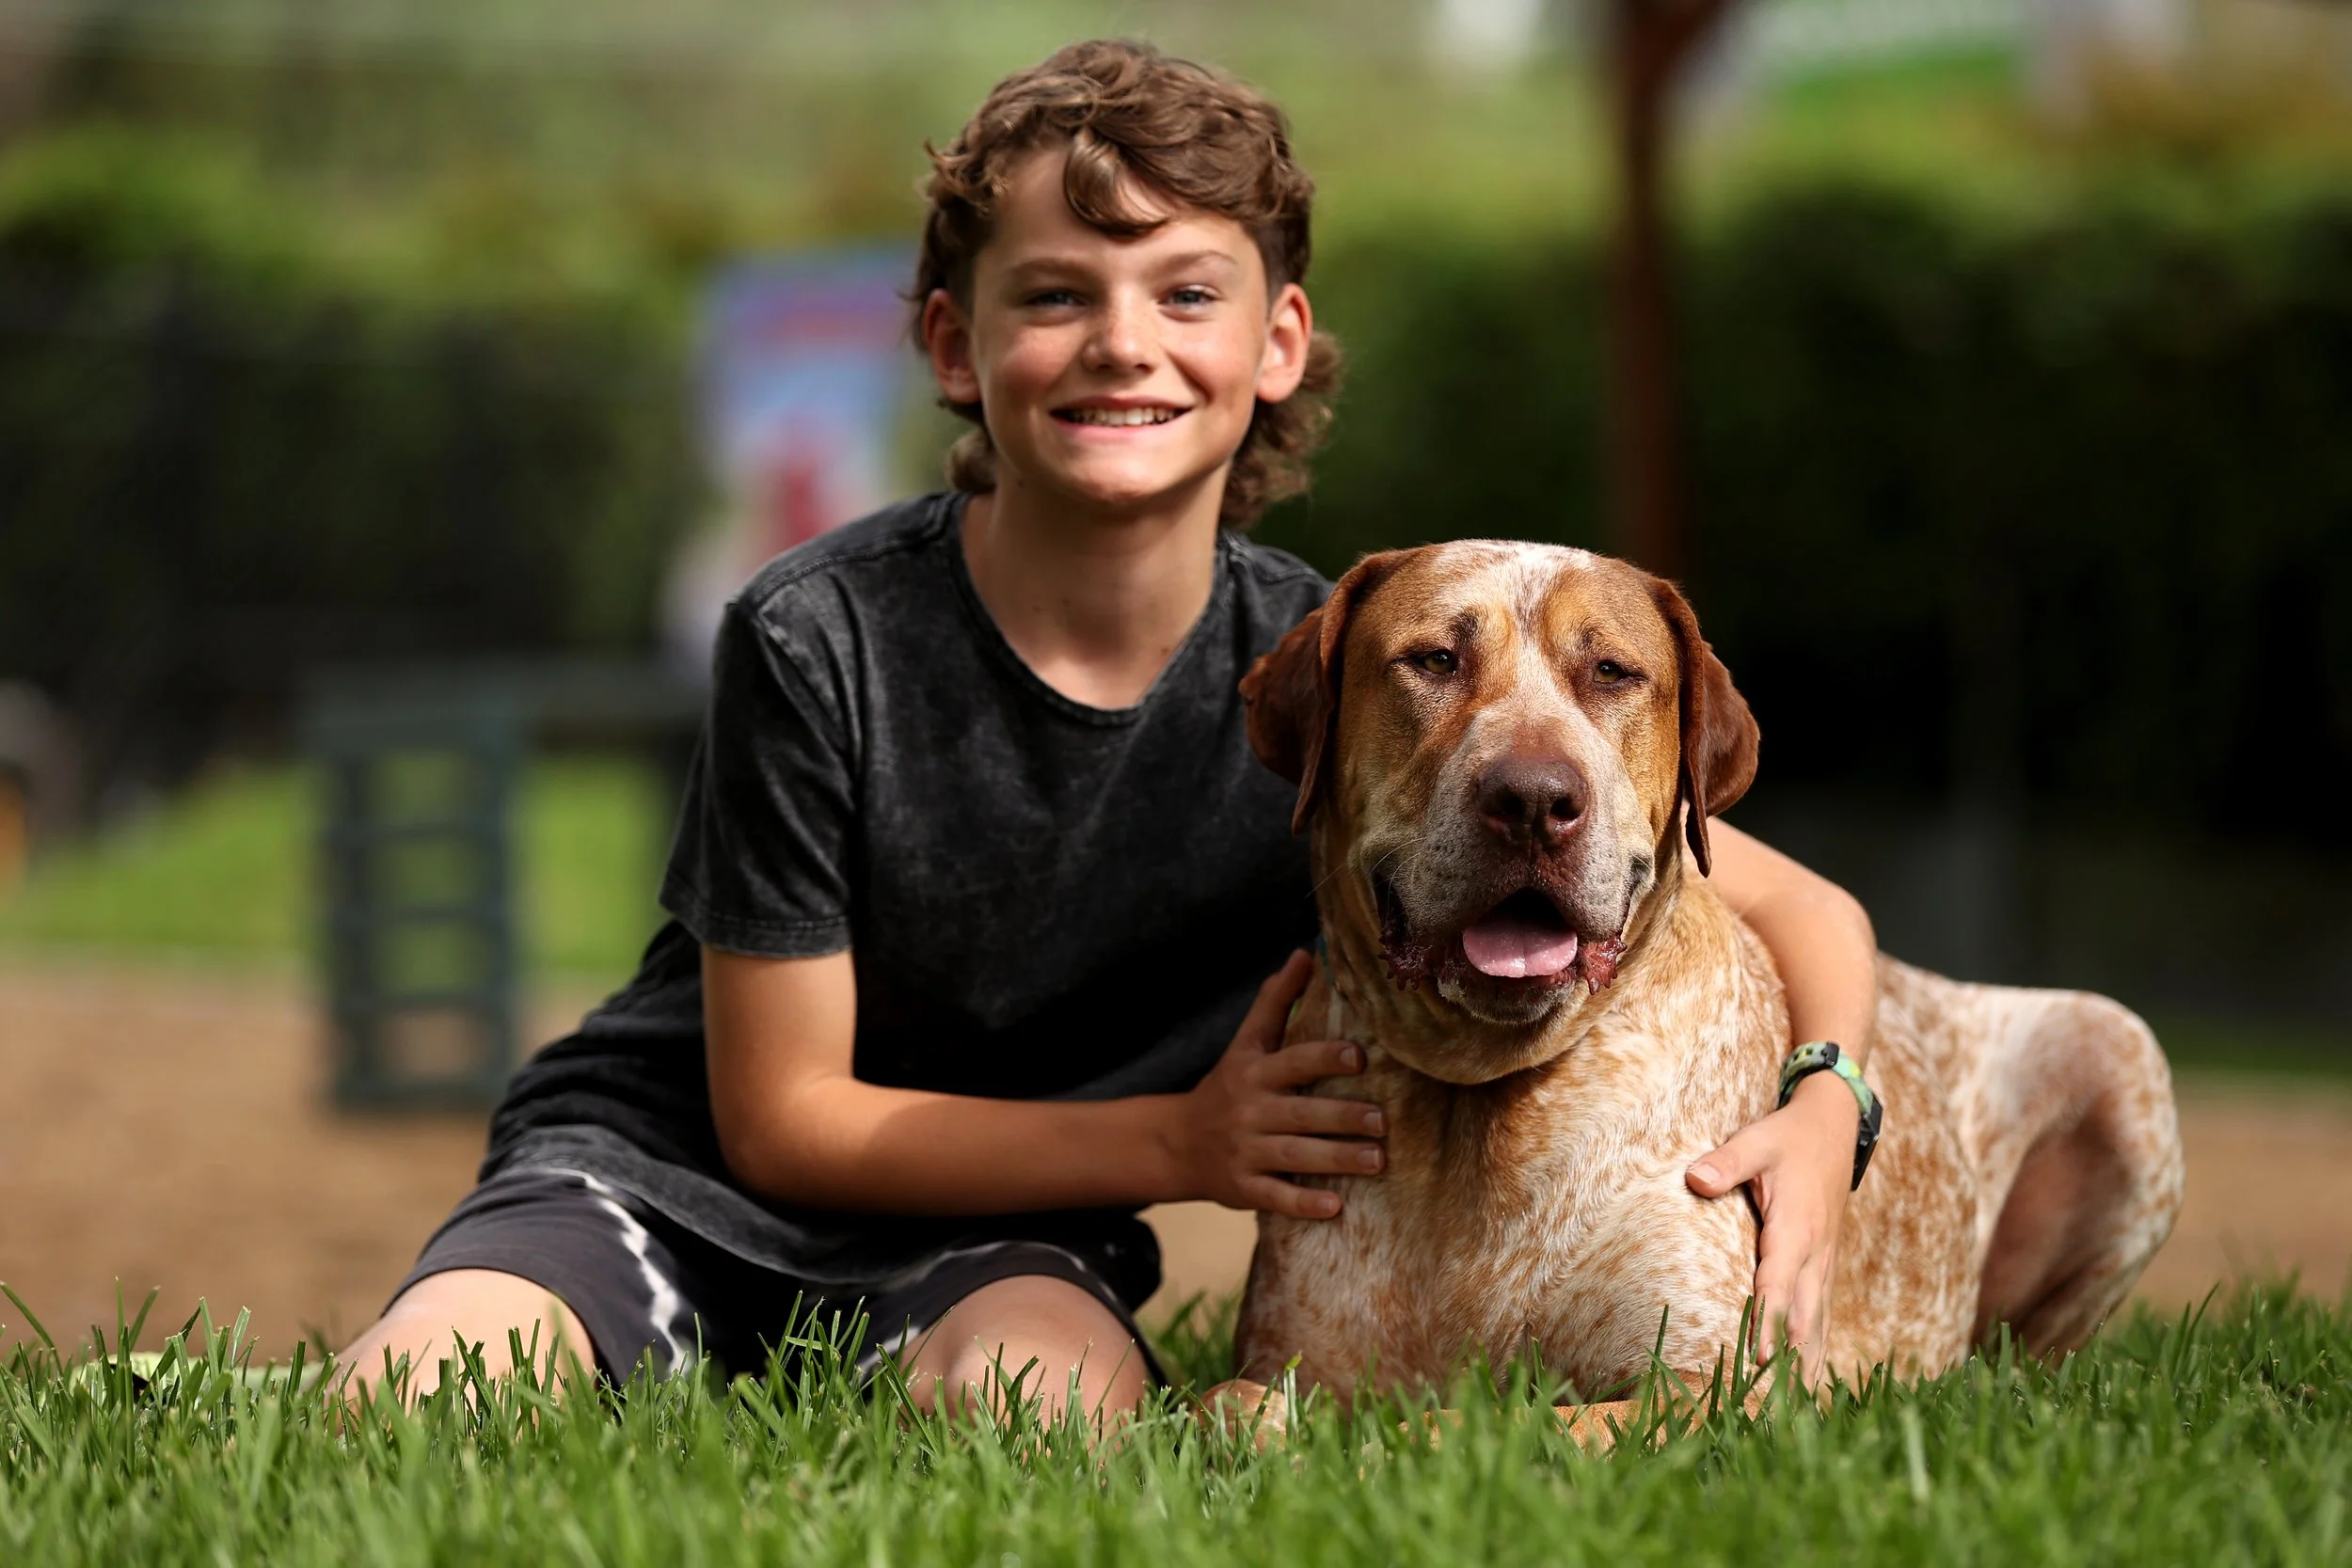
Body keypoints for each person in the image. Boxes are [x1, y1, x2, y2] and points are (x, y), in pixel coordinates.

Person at [337, 39, 1879, 1427]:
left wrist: (1824, 1106)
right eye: (1057, 293)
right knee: (417, 1402)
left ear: (1274, 343)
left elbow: (1806, 908)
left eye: (1185, 293)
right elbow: (783, 1116)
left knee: (1057, 1421)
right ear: (954, 345)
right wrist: (1181, 1145)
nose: (1123, 342)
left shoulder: (1345, 681)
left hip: (998, 1233)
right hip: (654, 1176)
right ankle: (465, 1325)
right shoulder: (816, 638)